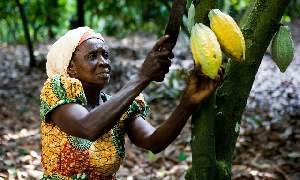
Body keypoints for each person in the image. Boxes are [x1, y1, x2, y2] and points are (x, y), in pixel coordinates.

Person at [40, 26, 223, 180]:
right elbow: (88, 128)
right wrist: (143, 77)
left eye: (105, 55)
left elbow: (154, 142)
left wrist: (187, 103)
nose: (104, 62)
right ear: (70, 67)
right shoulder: (57, 91)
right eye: (92, 56)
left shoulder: (120, 106)